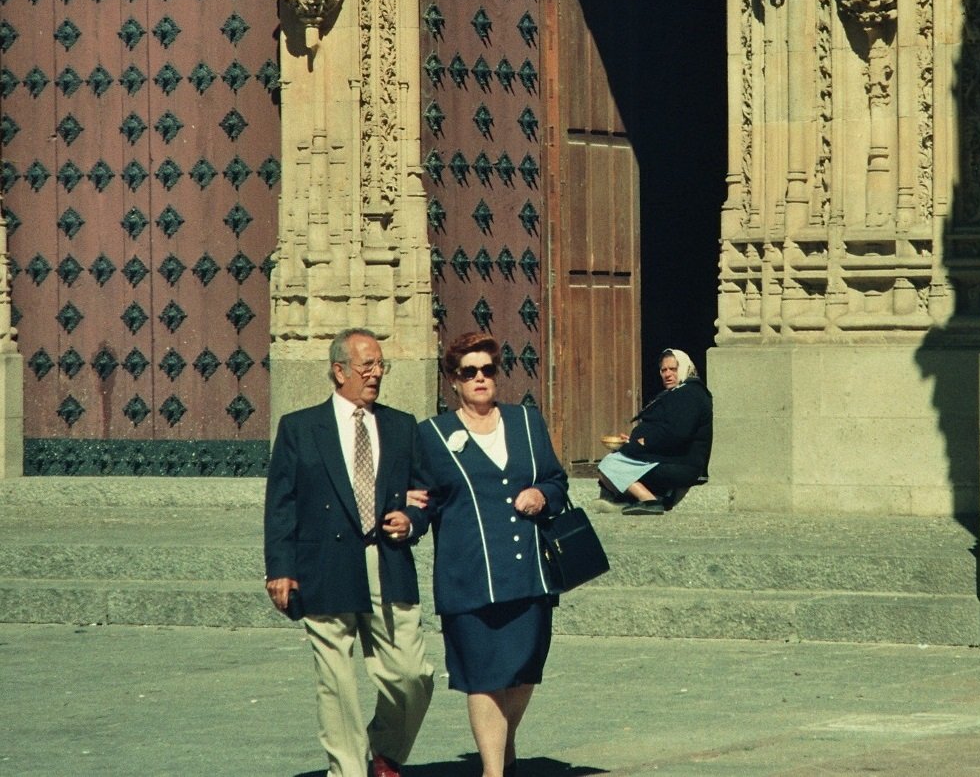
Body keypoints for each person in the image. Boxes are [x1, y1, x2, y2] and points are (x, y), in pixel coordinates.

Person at [263, 328, 436, 777]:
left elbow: (423, 494)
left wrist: (411, 521)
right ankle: (348, 771)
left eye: (381, 365)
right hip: (323, 564)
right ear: (338, 371)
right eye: (367, 366)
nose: (376, 374)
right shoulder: (300, 428)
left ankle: (384, 749)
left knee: (412, 675)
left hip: (386, 563)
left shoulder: (401, 426)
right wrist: (280, 569)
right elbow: (281, 504)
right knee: (336, 683)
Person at [414, 332, 568, 777]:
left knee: (523, 671)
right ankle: (493, 769)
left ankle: (506, 742)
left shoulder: (526, 422)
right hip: (468, 577)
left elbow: (558, 481)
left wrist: (542, 493)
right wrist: (407, 522)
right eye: (470, 372)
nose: (481, 379)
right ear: (453, 382)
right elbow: (423, 499)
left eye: (488, 370)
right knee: (483, 676)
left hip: (528, 574)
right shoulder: (433, 435)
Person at [593, 348, 713, 515]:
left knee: (609, 464)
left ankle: (649, 500)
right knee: (613, 460)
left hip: (681, 464)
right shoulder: (679, 392)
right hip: (669, 459)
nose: (667, 374)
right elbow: (663, 428)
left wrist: (643, 443)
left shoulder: (690, 394)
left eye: (673, 369)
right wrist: (634, 442)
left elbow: (677, 433)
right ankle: (625, 500)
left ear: (684, 367)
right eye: (664, 370)